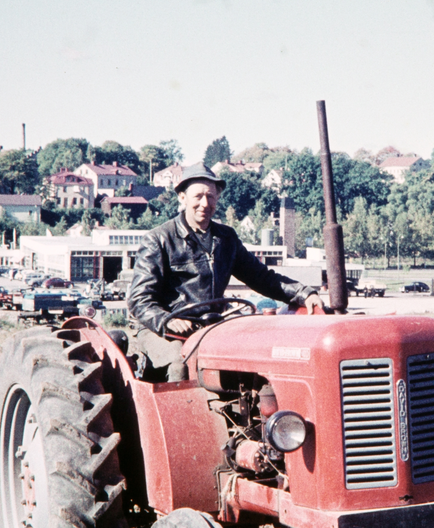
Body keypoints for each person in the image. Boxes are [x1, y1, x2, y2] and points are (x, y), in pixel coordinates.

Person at [128, 163, 324, 381]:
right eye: (198, 196)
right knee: (180, 362)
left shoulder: (226, 238)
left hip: (211, 326)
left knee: (256, 353)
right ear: (182, 197)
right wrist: (166, 320)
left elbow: (261, 277)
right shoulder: (159, 239)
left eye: (210, 197)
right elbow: (139, 299)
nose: (205, 204)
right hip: (163, 329)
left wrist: (303, 293)